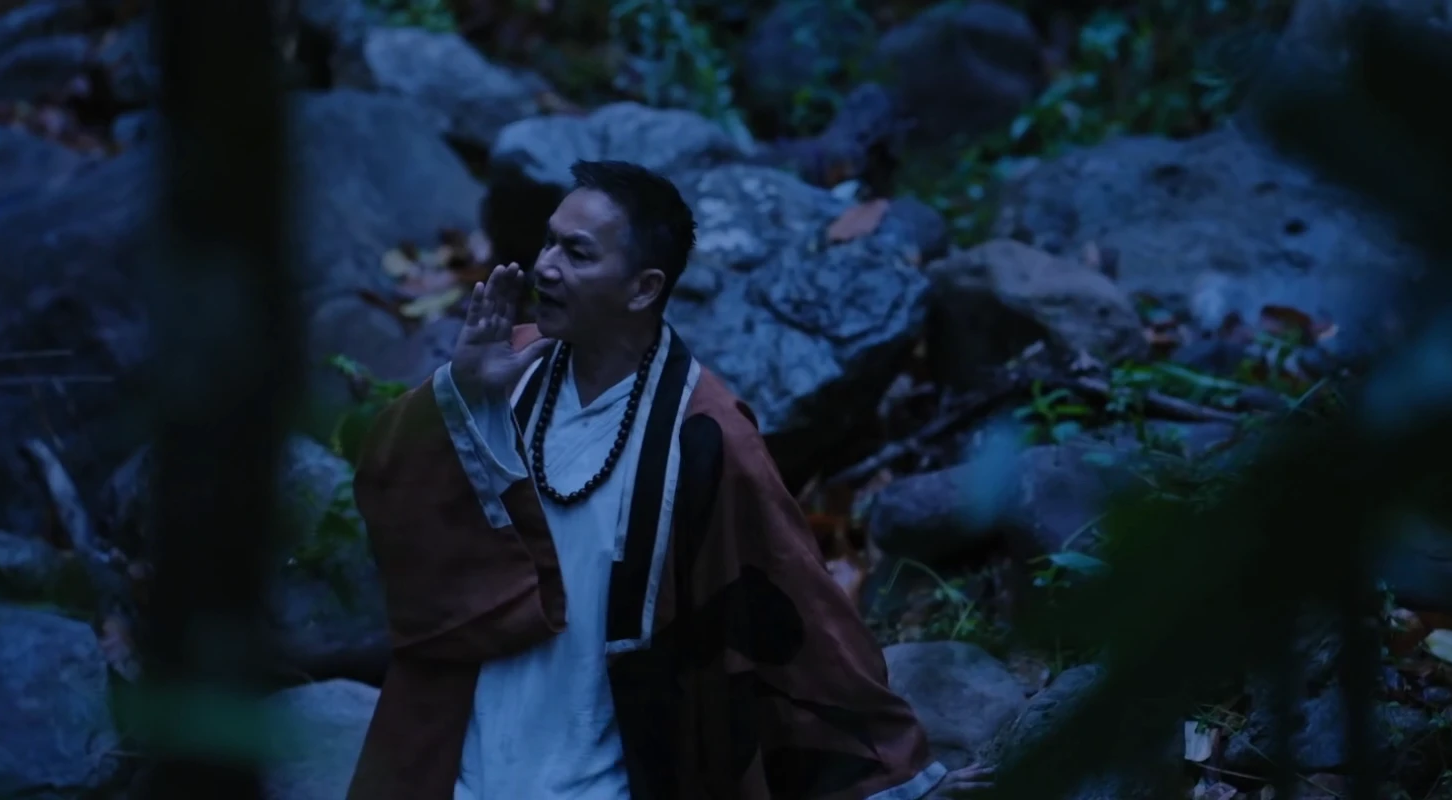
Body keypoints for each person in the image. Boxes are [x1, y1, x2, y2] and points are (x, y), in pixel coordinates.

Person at [344, 160, 993, 800]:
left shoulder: (705, 429)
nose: (545, 267)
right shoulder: (504, 369)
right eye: (549, 242)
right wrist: (461, 392)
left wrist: (897, 780)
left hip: (602, 777)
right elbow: (388, 496)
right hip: (466, 759)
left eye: (577, 253)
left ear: (643, 288)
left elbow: (794, 597)